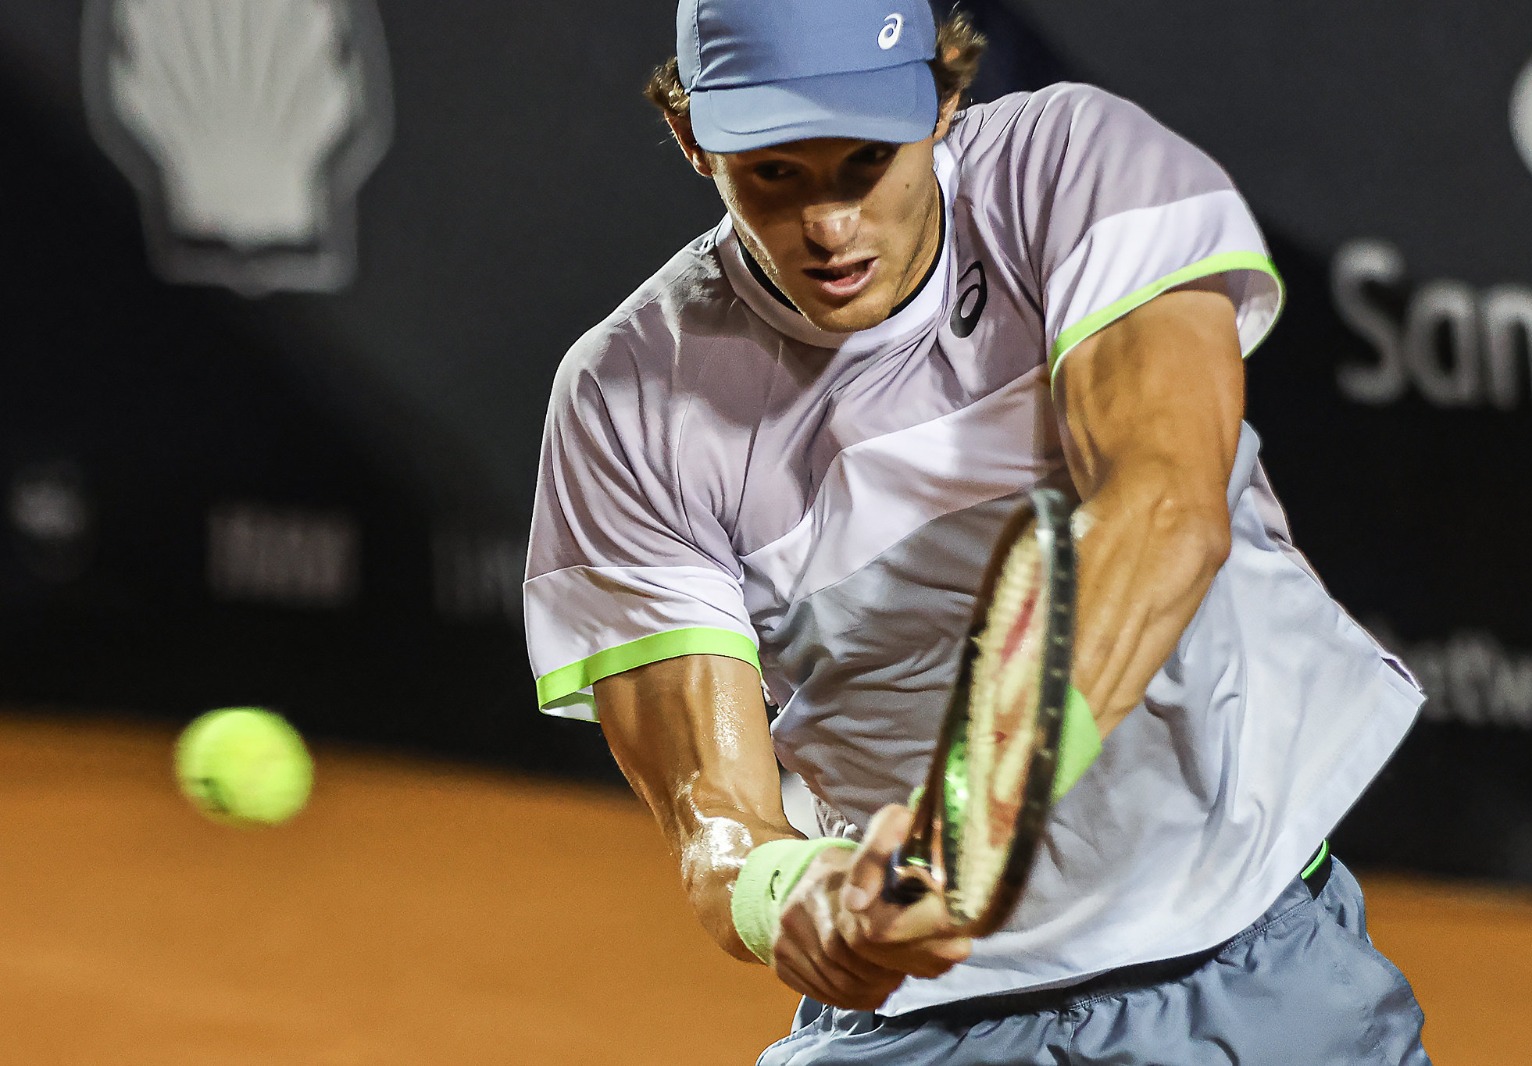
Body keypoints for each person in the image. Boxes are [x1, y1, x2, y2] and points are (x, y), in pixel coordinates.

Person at [523, 1, 1432, 1062]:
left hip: (1250, 962)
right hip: (929, 1016)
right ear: (692, 141)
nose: (828, 224)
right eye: (773, 171)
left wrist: (977, 806)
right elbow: (711, 816)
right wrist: (791, 893)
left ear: (946, 98)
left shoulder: (1077, 166)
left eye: (866, 159)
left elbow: (1161, 510)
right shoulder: (623, 396)